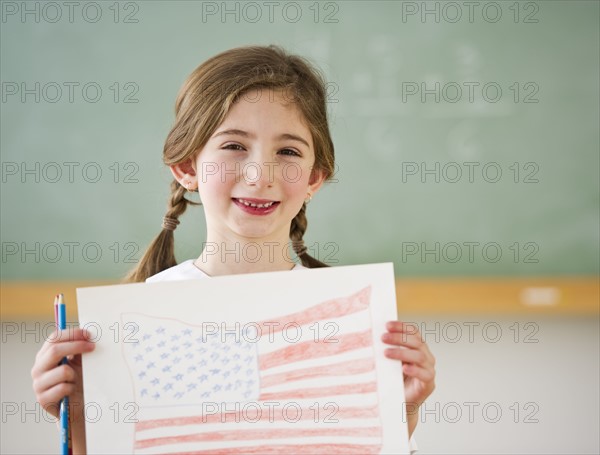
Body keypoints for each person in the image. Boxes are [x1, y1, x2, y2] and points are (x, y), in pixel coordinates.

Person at [31, 45, 435, 454]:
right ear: (188, 167)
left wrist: (402, 413)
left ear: (314, 178)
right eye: (234, 146)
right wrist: (79, 419)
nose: (260, 175)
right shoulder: (134, 324)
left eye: (288, 152)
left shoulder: (353, 327)